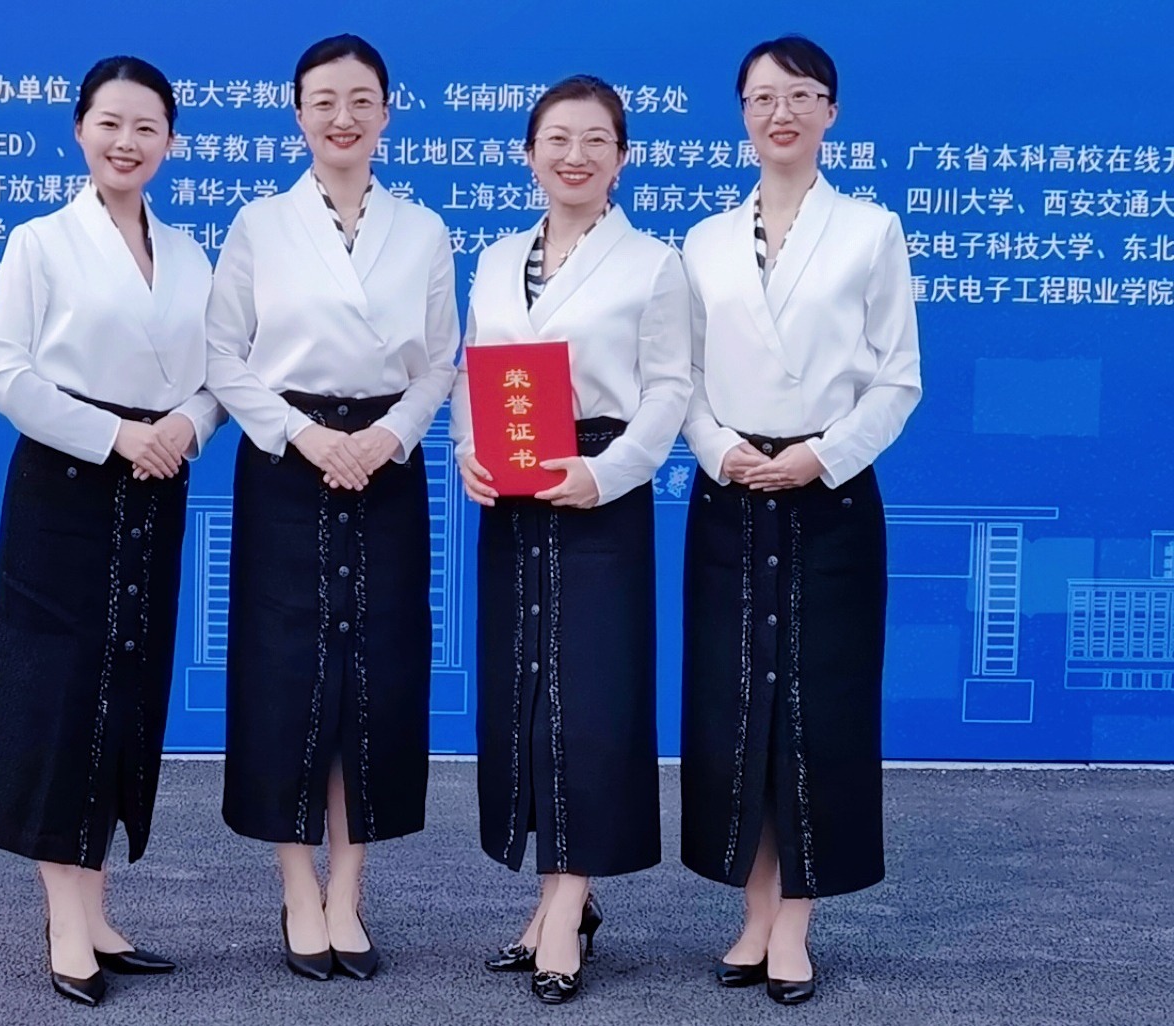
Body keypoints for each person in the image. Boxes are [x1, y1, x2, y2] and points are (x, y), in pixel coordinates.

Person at [204, 33, 458, 982]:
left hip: (386, 465)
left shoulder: (422, 230)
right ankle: (296, 885)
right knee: (285, 674)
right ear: (299, 114)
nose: (343, 117)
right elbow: (222, 354)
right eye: (324, 101)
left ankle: (348, 889)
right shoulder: (260, 225)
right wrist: (303, 436)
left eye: (361, 100)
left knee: (374, 676)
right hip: (287, 463)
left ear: (388, 112)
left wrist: (389, 436)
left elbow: (441, 359)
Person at [0, 55, 221, 1008]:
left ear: (170, 142)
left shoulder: (190, 254)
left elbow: (219, 373)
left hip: (156, 488)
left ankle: (101, 913)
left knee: (124, 695)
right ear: (79, 129)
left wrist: (187, 425)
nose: (127, 141)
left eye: (146, 127)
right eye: (110, 122)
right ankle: (65, 921)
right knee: (58, 698)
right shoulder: (40, 242)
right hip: (67, 487)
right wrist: (117, 435)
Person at [678, 35, 922, 1005]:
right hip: (731, 491)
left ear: (832, 112)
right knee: (737, 707)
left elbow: (898, 379)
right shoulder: (702, 241)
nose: (781, 113)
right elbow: (683, 376)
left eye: (802, 95)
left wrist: (822, 454)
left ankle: (796, 924)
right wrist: (717, 447)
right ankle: (753, 910)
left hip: (831, 494)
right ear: (742, 113)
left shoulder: (870, 230)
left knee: (820, 708)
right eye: (763, 98)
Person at [450, 74, 692, 1005]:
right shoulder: (495, 258)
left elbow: (669, 389)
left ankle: (564, 909)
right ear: (529, 154)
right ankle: (559, 897)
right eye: (557, 139)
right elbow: (474, 373)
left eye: (596, 140)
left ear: (623, 158)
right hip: (512, 493)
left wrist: (609, 472)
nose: (575, 156)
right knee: (525, 695)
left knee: (591, 699)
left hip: (598, 488)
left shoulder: (653, 264)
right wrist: (469, 452)